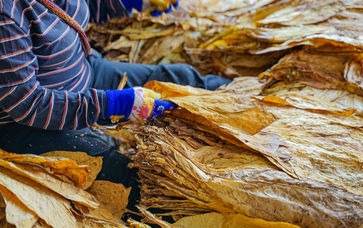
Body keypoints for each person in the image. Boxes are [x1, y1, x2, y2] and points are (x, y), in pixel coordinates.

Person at [0, 0, 230, 211]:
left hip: (84, 73)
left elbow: (88, 5)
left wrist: (135, 2)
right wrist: (112, 104)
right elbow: (26, 102)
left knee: (180, 78)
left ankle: (254, 99)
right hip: (26, 124)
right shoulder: (6, 13)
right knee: (132, 183)